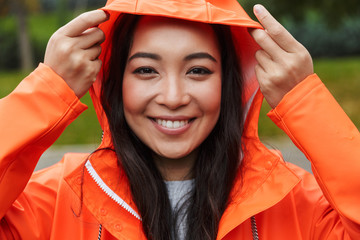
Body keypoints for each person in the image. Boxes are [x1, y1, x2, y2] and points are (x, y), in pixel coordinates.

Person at [0, 0, 359, 239]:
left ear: (230, 83)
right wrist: (47, 92)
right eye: (145, 70)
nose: (173, 97)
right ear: (113, 81)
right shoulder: (56, 201)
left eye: (198, 70)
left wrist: (306, 102)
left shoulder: (296, 202)